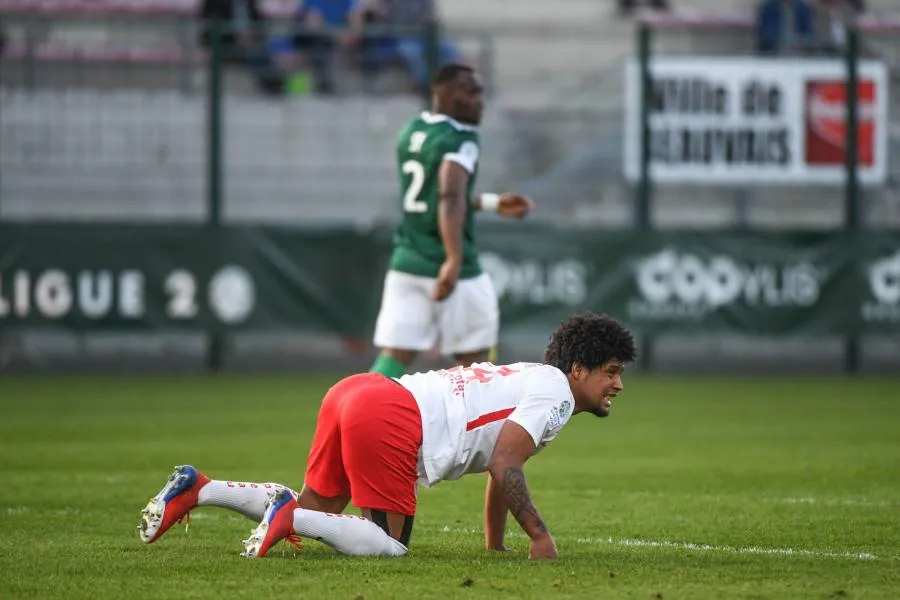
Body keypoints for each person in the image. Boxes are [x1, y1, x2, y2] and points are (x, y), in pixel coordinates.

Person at [138, 311, 637, 560]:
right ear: (577, 369)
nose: (617, 384)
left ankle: (200, 488)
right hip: (393, 417)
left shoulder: (534, 377)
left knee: (321, 512)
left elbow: (499, 467)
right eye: (611, 371)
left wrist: (496, 549)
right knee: (388, 547)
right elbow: (506, 462)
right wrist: (541, 537)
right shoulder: (557, 394)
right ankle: (288, 515)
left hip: (360, 392)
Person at [368, 63, 534, 379]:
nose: (480, 101)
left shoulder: (412, 132)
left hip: (408, 263)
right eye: (471, 92)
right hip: (454, 268)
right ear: (444, 93)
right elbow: (449, 198)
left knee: (393, 359)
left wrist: (492, 202)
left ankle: (356, 415)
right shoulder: (461, 139)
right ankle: (472, 427)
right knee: (475, 367)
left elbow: (438, 197)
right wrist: (454, 260)